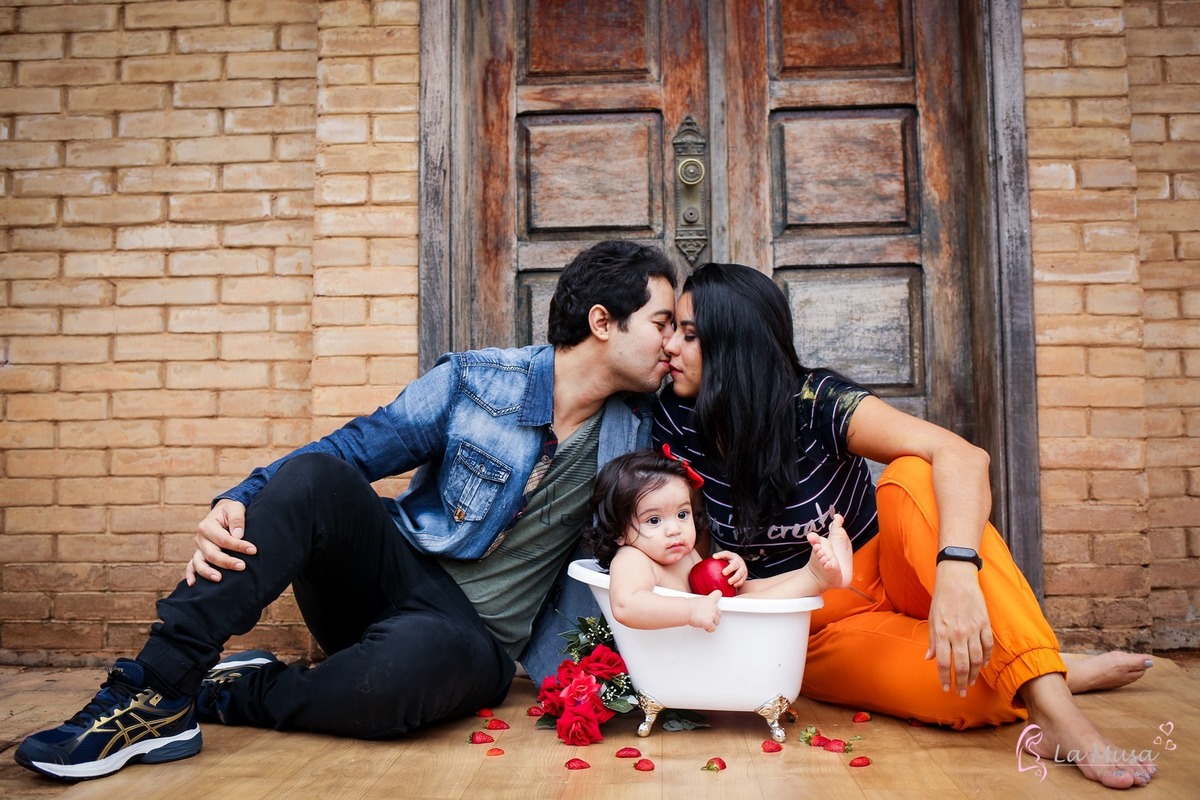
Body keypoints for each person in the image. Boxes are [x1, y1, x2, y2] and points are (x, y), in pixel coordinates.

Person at [14, 240, 678, 781]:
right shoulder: (480, 380)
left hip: (471, 642)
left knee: (389, 690)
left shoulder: (644, 429)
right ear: (602, 322)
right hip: (389, 575)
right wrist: (237, 499)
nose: (673, 343)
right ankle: (151, 689)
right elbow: (353, 447)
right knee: (316, 476)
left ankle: (231, 693)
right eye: (661, 323)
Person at [652, 261, 1157, 790]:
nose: (670, 347)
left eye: (689, 335)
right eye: (671, 332)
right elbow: (675, 547)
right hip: (810, 618)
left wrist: (957, 574)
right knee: (961, 694)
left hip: (900, 569)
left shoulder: (816, 401)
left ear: (736, 347)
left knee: (916, 471)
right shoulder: (672, 421)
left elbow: (962, 455)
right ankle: (1049, 672)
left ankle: (1057, 712)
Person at [583, 448, 853, 632]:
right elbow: (626, 605)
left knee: (746, 589)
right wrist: (690, 611)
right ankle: (814, 579)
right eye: (654, 520)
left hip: (711, 629)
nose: (674, 529)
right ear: (619, 530)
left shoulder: (682, 552)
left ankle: (820, 574)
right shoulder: (632, 559)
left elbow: (716, 589)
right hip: (689, 644)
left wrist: (734, 568)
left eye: (682, 514)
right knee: (740, 606)